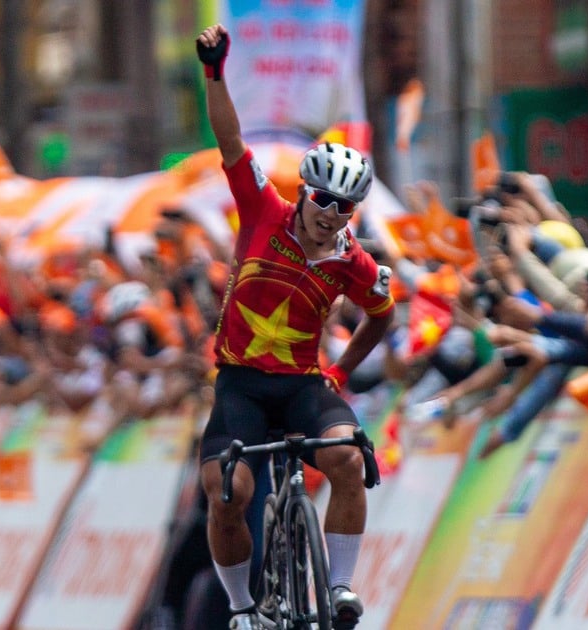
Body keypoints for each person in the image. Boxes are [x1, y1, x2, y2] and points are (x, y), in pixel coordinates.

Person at [194, 24, 395, 630]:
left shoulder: (352, 261)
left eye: (344, 208)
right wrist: (214, 70)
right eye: (321, 200)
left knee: (350, 462)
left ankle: (338, 589)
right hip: (242, 385)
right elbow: (229, 139)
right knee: (228, 494)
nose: (329, 215)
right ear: (303, 191)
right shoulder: (263, 210)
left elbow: (382, 316)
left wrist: (339, 370)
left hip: (304, 385)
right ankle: (241, 607)